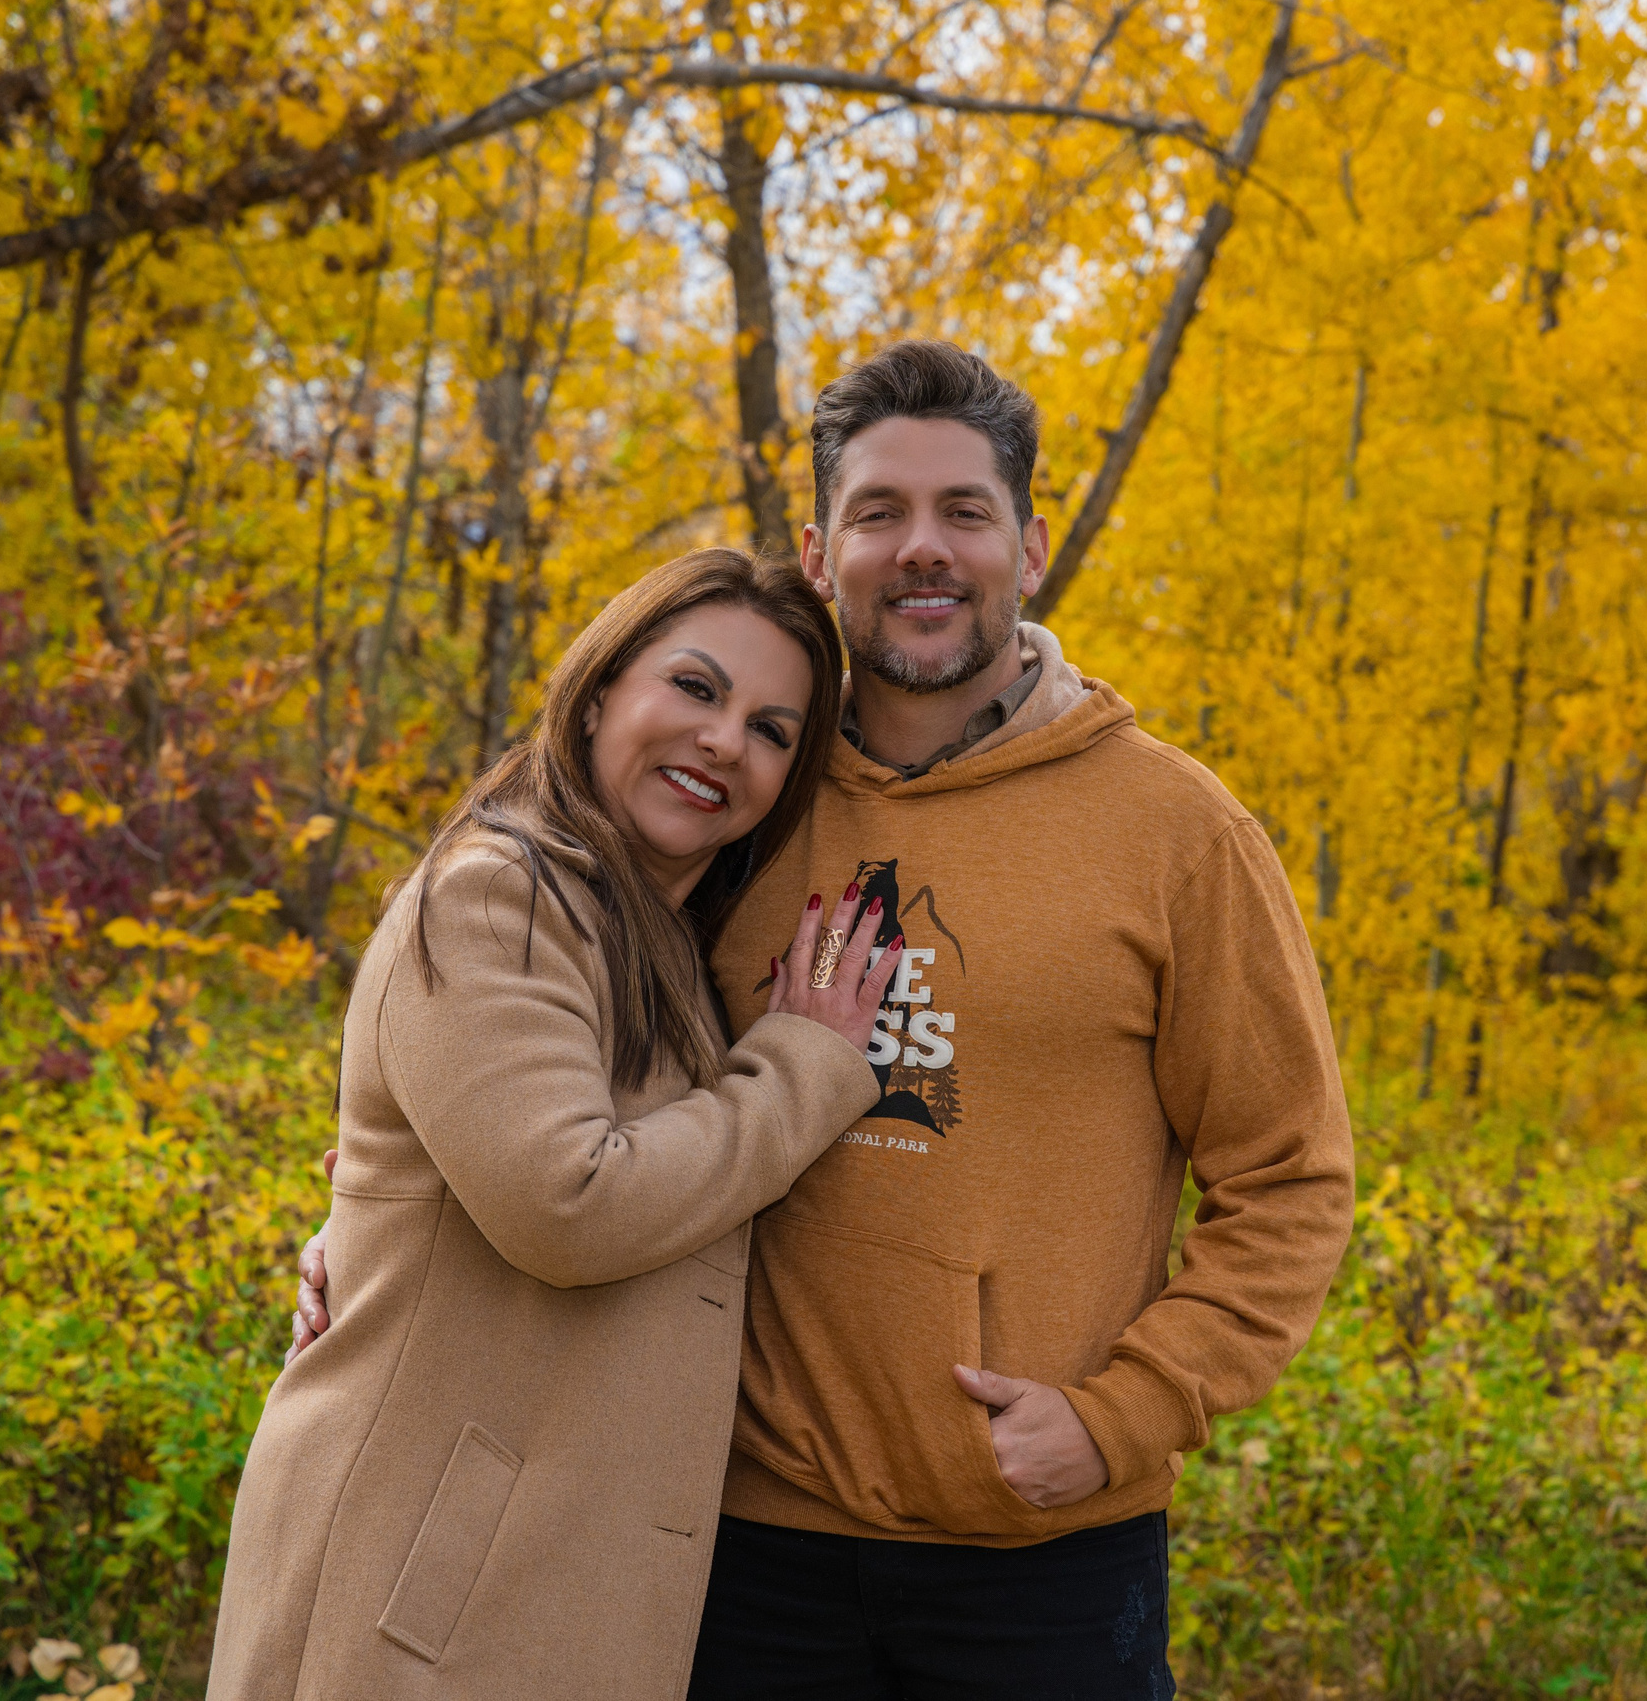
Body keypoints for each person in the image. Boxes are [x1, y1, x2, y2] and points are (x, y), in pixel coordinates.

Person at [289, 344, 1357, 1699]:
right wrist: (378, 1224)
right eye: (879, 513)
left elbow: (1291, 1178)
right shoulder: (737, 800)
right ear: (819, 547)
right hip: (725, 1544)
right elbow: (543, 1082)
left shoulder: (1175, 832)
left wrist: (1123, 1415)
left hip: (1041, 1556)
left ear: (1029, 544)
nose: (924, 550)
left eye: (965, 512)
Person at [207, 547, 903, 1701]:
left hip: (540, 1595)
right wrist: (806, 1067)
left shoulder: (659, 937)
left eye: (775, 730)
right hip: (416, 1603)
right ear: (597, 694)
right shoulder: (498, 894)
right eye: (694, 687)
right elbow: (566, 1206)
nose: (727, 741)